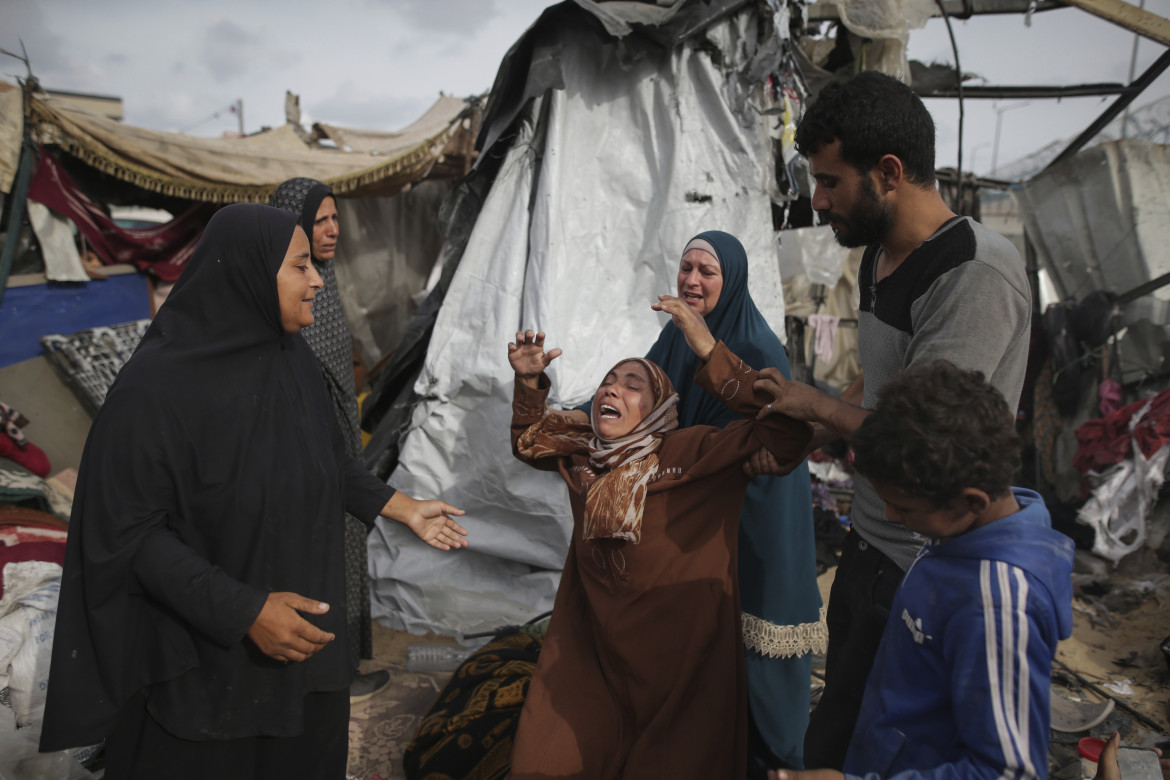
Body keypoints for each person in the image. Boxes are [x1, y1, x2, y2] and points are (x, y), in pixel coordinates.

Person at [39, 204, 468, 779]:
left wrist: (401, 507)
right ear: (247, 274)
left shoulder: (292, 363)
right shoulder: (158, 390)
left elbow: (331, 463)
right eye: (300, 266)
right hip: (206, 665)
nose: (318, 279)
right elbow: (129, 533)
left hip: (305, 652)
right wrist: (245, 611)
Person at [753, 69, 1033, 768]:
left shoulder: (974, 275)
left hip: (927, 561)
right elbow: (880, 377)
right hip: (874, 538)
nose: (816, 201)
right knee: (843, 726)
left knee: (882, 744)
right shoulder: (881, 254)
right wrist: (825, 425)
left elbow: (927, 433)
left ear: (887, 172)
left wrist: (814, 402)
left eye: (829, 182)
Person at [504, 298, 813, 779]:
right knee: (545, 761)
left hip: (678, 667)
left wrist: (711, 352)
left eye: (633, 385)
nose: (613, 389)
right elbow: (529, 440)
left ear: (663, 408)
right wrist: (528, 383)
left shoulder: (690, 451)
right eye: (608, 381)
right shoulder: (585, 448)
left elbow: (787, 432)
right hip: (594, 650)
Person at [577, 231, 823, 772]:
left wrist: (708, 349)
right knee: (706, 663)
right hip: (700, 517)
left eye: (705, 272)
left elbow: (780, 430)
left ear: (730, 280)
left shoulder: (758, 348)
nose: (690, 280)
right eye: (686, 267)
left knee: (758, 662)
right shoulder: (673, 341)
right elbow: (635, 398)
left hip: (754, 516)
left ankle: (778, 765)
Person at [768, 360, 1073, 780]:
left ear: (970, 503)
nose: (891, 516)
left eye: (905, 507)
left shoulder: (997, 606)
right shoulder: (960, 535)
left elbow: (1008, 772)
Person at [270, 177, 385, 701]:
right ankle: (328, 673)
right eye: (320, 220)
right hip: (308, 452)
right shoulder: (282, 292)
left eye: (336, 218)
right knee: (320, 556)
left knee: (346, 546)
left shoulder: (327, 280)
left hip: (340, 443)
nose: (333, 229)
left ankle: (343, 665)